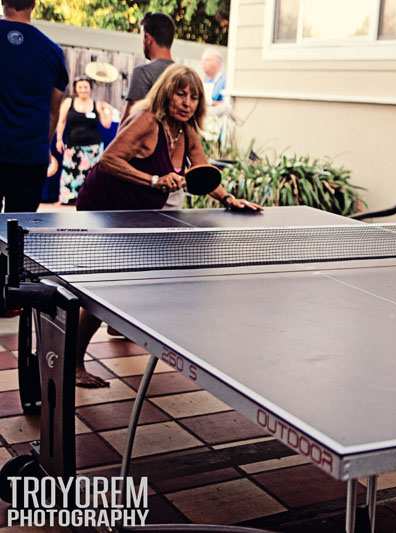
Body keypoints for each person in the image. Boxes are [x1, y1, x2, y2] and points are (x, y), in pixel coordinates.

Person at [73, 64, 261, 387]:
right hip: (104, 207)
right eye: (180, 94)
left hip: (137, 214)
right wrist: (154, 179)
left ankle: (115, 323)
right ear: (166, 93)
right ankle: (74, 363)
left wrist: (229, 199)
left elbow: (202, 174)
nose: (187, 102)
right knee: (103, 287)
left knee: (132, 281)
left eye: (193, 97)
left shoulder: (186, 132)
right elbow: (108, 160)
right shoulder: (147, 122)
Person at [0, 0, 68, 212]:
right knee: (17, 232)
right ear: (34, 4)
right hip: (30, 158)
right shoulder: (52, 51)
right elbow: (53, 111)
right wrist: (41, 144)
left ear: (3, 2)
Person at [55, 77, 113, 204]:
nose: (83, 90)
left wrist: (106, 110)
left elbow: (107, 124)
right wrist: (59, 139)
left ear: (90, 89)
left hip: (93, 148)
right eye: (80, 87)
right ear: (76, 88)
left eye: (86, 87)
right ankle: (68, 198)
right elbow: (61, 122)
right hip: (73, 146)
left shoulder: (96, 104)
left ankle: (91, 199)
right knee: (70, 174)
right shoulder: (68, 102)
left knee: (91, 175)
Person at [199, 47, 228, 144]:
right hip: (205, 125)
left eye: (206, 60)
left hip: (218, 126)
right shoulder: (206, 80)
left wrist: (211, 103)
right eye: (202, 61)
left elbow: (226, 104)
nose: (202, 64)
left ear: (216, 62)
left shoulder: (224, 80)